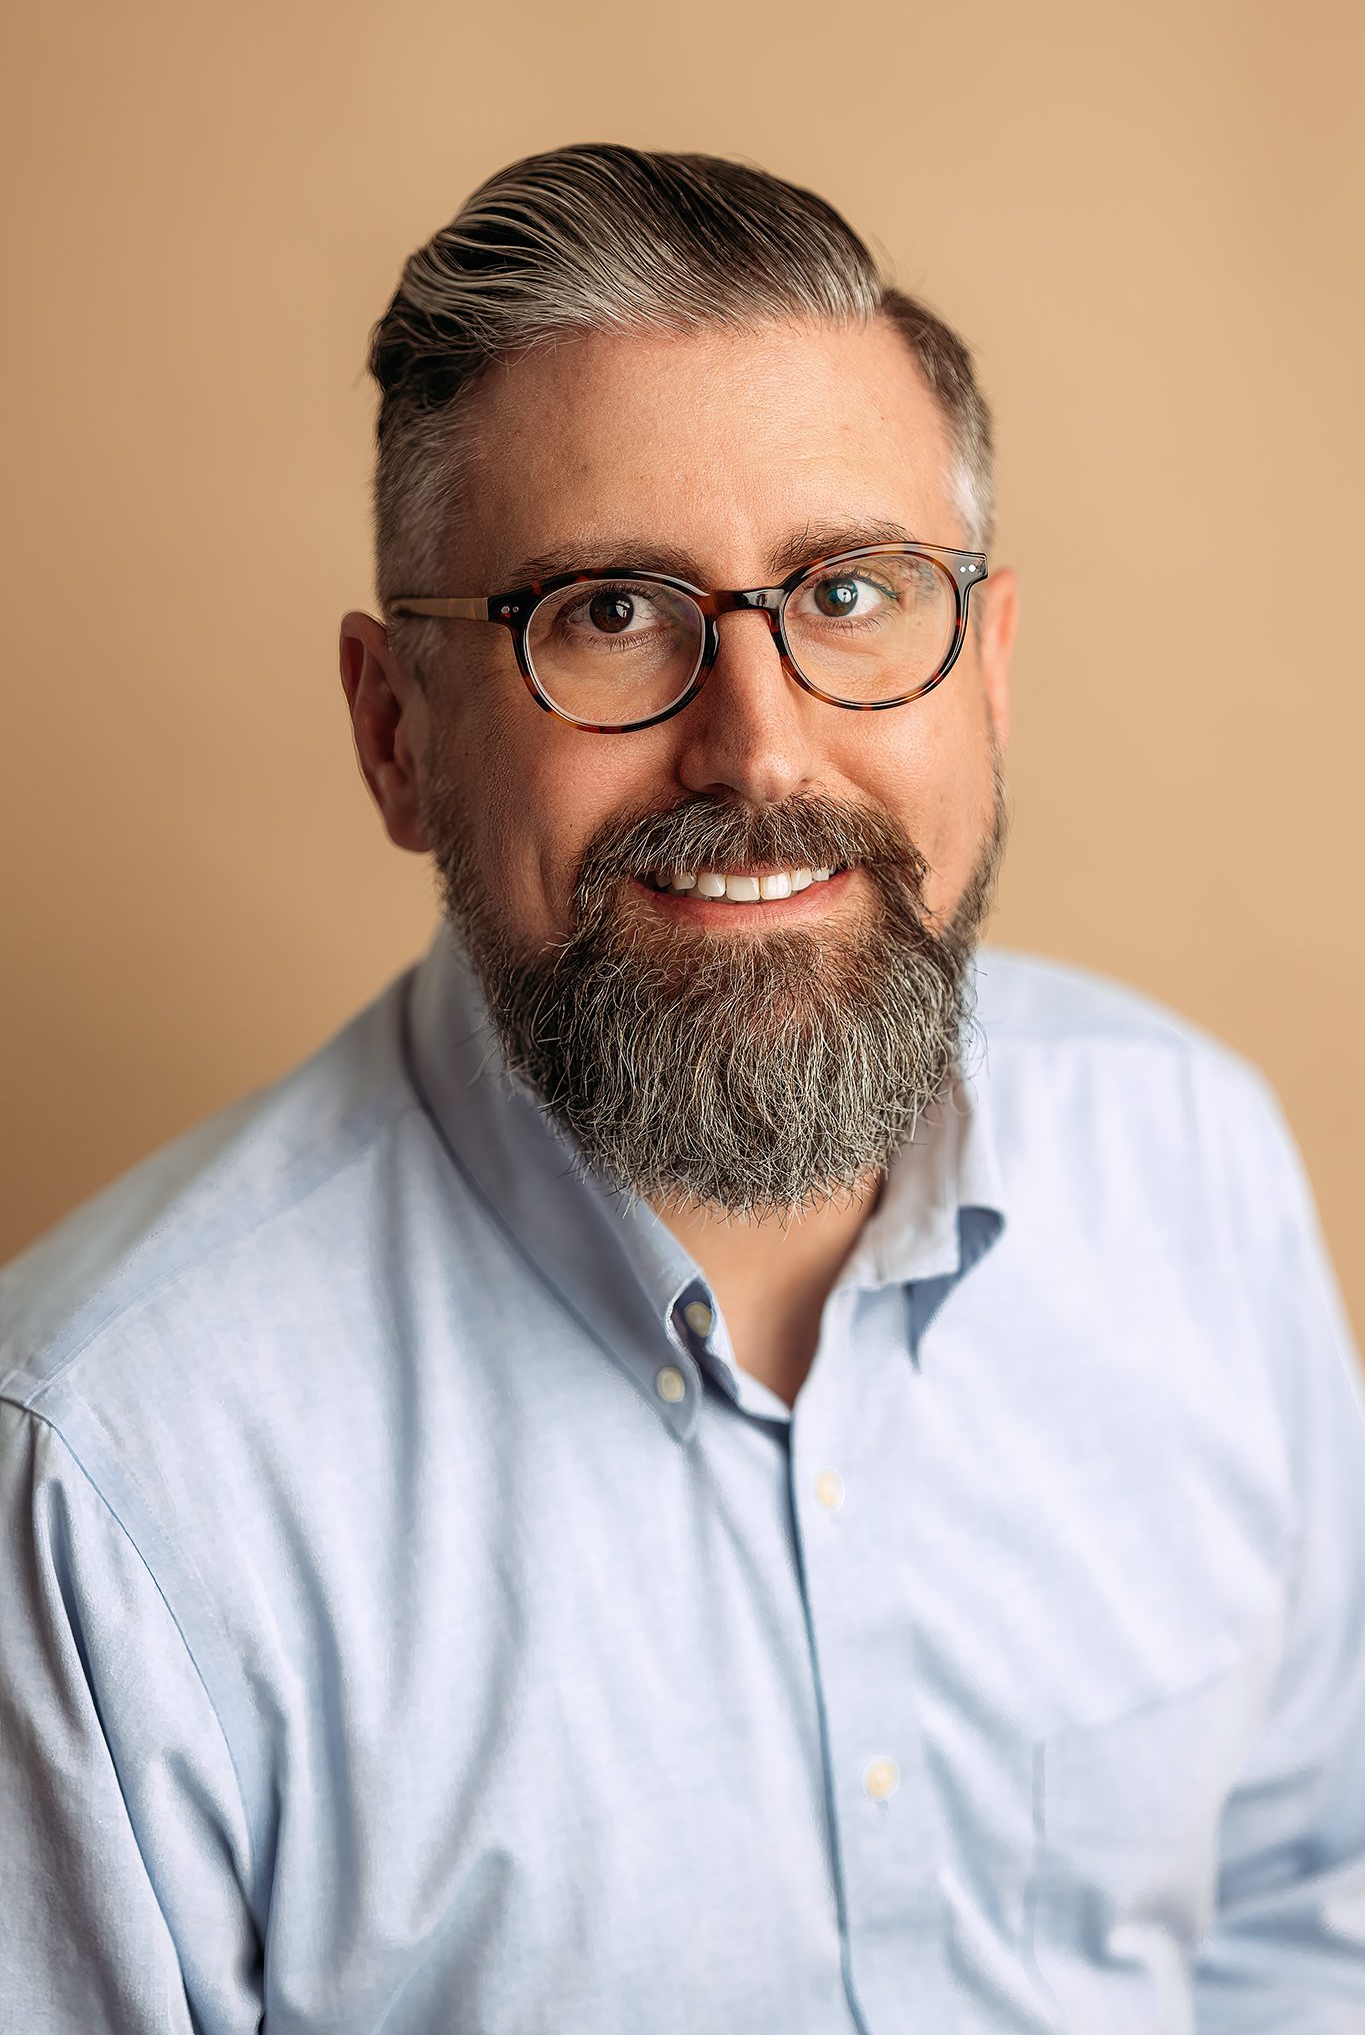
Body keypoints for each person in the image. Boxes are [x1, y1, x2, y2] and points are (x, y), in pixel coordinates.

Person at [1, 143, 1362, 2035]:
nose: (759, 743)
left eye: (854, 591)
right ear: (397, 735)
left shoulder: (1190, 1172)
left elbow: (1306, 1910)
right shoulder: (106, 1480)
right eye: (611, 615)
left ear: (988, 677)